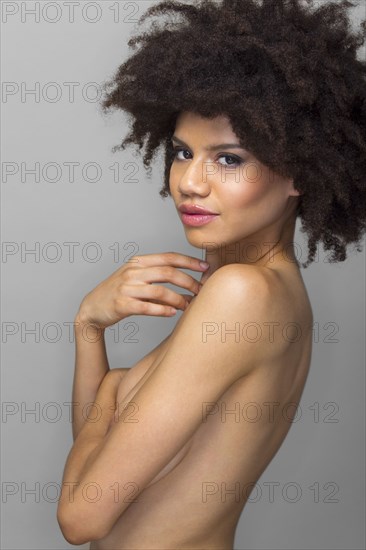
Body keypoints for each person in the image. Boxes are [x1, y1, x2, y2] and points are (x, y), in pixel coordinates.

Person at [57, 0, 366, 548]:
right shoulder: (251, 290)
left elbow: (81, 518)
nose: (190, 183)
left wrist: (110, 393)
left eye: (228, 159)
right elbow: (104, 469)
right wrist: (89, 328)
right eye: (181, 153)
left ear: (297, 169)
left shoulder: (242, 294)